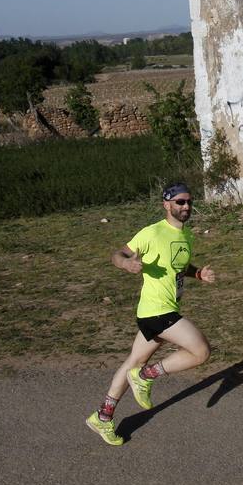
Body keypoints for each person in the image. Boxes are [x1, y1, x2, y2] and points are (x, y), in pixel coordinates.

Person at [86, 182, 217, 446]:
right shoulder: (152, 232)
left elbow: (179, 266)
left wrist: (197, 273)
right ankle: (147, 376)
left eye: (189, 202)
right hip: (156, 310)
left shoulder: (186, 236)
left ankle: (103, 415)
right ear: (166, 205)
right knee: (201, 351)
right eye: (180, 202)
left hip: (164, 308)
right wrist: (125, 263)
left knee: (132, 361)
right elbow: (118, 253)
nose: (186, 206)